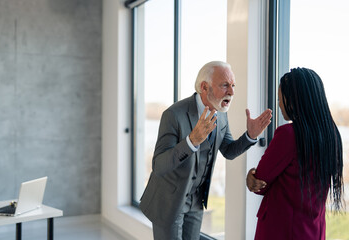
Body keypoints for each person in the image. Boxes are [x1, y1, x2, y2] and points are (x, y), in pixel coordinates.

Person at [139, 61, 272, 240]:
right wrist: (191, 141)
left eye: (233, 86)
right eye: (225, 85)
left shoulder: (221, 115)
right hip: (169, 202)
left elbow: (229, 151)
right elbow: (159, 166)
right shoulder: (173, 115)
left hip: (196, 202)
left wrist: (250, 135)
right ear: (204, 87)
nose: (231, 92)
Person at [246, 67, 344, 240]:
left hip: (282, 231)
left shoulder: (288, 134)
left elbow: (260, 181)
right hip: (313, 230)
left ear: (293, 100)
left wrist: (251, 175)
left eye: (280, 98)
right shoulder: (331, 135)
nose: (279, 103)